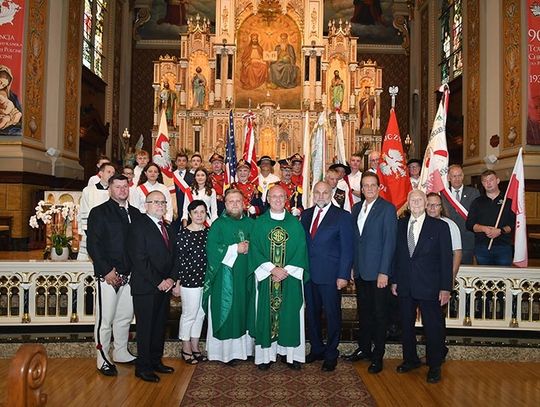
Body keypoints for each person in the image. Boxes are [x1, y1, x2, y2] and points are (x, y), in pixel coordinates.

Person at [391, 190, 453, 384]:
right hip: (405, 284)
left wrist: (446, 288)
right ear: (408, 204)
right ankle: (410, 360)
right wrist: (394, 280)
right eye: (412, 200)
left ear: (426, 203)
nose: (416, 203)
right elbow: (396, 256)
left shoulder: (440, 227)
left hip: (431, 287)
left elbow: (446, 260)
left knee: (432, 328)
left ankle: (434, 365)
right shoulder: (399, 225)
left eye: (419, 199)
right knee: (406, 326)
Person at [248, 185, 309, 370]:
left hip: (289, 278)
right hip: (267, 279)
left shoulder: (295, 224)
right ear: (267, 199)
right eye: (273, 196)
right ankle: (266, 356)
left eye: (280, 196)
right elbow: (255, 250)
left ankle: (290, 356)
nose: (277, 199)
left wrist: (285, 271)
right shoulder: (259, 223)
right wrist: (272, 269)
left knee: (290, 315)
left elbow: (301, 251)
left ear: (286, 199)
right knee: (266, 316)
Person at [87, 174, 141, 376]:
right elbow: (94, 244)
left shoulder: (136, 213)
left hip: (130, 275)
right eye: (117, 187)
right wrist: (106, 270)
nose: (122, 190)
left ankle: (120, 351)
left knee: (124, 318)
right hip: (108, 275)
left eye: (125, 187)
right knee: (105, 319)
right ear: (110, 189)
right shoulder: (99, 213)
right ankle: (102, 358)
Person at [345, 173, 396, 374]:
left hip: (378, 273)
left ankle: (378, 355)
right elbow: (355, 241)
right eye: (365, 186)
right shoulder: (356, 208)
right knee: (364, 314)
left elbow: (390, 243)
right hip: (360, 271)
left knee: (379, 315)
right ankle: (364, 349)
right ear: (362, 188)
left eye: (372, 185)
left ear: (379, 187)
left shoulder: (387, 209)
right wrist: (351, 267)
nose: (369, 189)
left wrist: (384, 271)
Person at [300, 181, 353, 372]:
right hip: (309, 275)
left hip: (331, 276)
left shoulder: (342, 217)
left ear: (331, 194)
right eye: (317, 193)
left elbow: (348, 249)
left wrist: (343, 275)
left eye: (324, 193)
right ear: (312, 194)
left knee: (332, 315)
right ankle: (316, 348)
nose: (321, 196)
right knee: (311, 315)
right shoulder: (305, 215)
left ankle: (331, 353)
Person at [127, 190, 176, 383]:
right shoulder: (138, 227)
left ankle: (156, 361)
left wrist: (171, 278)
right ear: (146, 205)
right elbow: (139, 258)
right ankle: (143, 367)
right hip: (146, 287)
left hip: (164, 287)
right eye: (155, 202)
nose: (160, 206)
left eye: (163, 203)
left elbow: (175, 257)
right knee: (146, 329)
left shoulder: (168, 228)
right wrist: (159, 281)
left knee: (158, 327)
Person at [203, 189, 255, 364]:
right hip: (224, 278)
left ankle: (245, 351)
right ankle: (225, 354)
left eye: (238, 201)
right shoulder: (218, 224)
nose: (234, 204)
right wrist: (235, 249)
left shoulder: (252, 223)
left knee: (244, 311)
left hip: (246, 277)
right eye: (230, 201)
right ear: (225, 204)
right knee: (228, 311)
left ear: (244, 203)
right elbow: (212, 249)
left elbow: (260, 245)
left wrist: (251, 247)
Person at [172, 200, 209, 365]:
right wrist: (177, 283)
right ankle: (185, 348)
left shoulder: (209, 233)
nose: (199, 215)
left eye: (202, 212)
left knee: (200, 314)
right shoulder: (183, 234)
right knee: (189, 314)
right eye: (196, 212)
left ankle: (195, 347)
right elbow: (178, 260)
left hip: (205, 279)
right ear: (190, 214)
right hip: (188, 280)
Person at [466, 170, 515, 266]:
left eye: (491, 180)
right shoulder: (477, 202)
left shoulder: (508, 201)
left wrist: (500, 231)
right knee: (484, 279)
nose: (488, 183)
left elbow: (513, 224)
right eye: (485, 181)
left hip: (503, 247)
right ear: (482, 184)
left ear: (497, 181)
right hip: (482, 247)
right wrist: (484, 229)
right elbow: (469, 224)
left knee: (503, 278)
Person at [441, 164, 480, 264]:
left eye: (459, 175)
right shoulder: (443, 194)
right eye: (454, 176)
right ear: (449, 178)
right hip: (448, 238)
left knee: (467, 272)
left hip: (467, 239)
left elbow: (477, 215)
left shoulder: (474, 192)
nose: (457, 179)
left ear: (463, 176)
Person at [78, 163, 116, 260]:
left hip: (111, 234)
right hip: (92, 232)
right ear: (100, 173)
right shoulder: (88, 190)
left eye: (113, 172)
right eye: (108, 172)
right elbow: (84, 211)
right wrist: (89, 233)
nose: (111, 174)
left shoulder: (116, 192)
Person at [427, 193, 462, 280]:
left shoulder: (450, 225)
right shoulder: (419, 225)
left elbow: (457, 253)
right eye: (429, 204)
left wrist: (452, 276)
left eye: (436, 205)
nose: (432, 208)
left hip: (442, 273)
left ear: (441, 207)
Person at [171, 152, 193, 234]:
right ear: (176, 162)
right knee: (174, 232)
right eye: (179, 160)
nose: (181, 162)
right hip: (174, 207)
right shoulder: (170, 176)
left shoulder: (192, 176)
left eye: (184, 160)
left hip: (187, 206)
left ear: (187, 163)